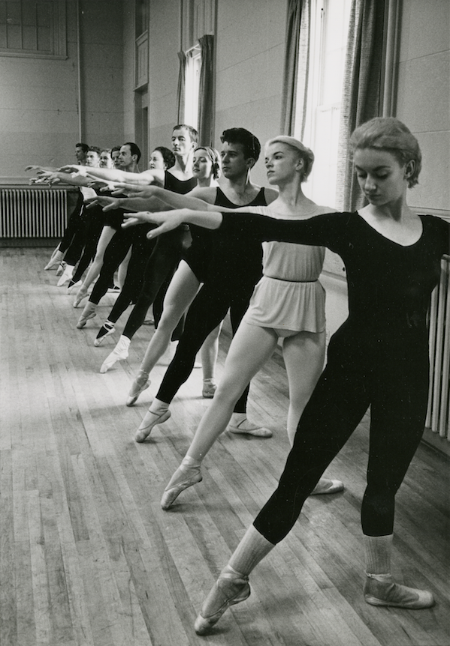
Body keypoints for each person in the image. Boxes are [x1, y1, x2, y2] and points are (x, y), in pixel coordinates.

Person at [132, 118, 449, 629]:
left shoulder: (436, 231)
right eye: (361, 174)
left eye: (380, 174)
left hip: (409, 374)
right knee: (297, 478)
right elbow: (257, 223)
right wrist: (185, 210)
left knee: (385, 482)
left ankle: (379, 580)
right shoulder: (347, 227)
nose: (367, 185)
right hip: (351, 367)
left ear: (409, 168)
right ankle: (231, 579)